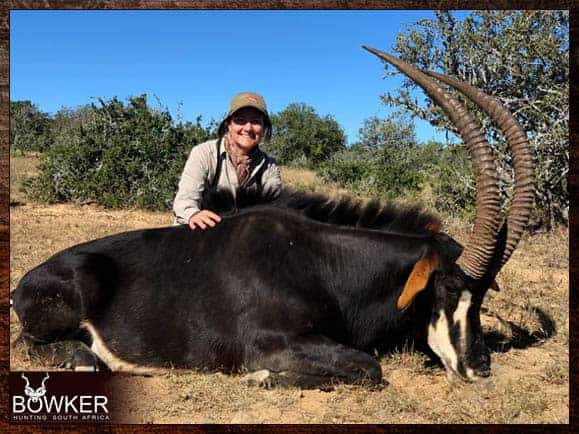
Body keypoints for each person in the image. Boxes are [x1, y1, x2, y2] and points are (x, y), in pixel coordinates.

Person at [173, 92, 282, 230]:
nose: (248, 128)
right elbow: (184, 201)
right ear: (228, 125)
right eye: (240, 120)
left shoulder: (269, 166)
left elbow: (273, 213)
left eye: (255, 121)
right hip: (201, 233)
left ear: (264, 128)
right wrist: (193, 214)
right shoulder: (204, 153)